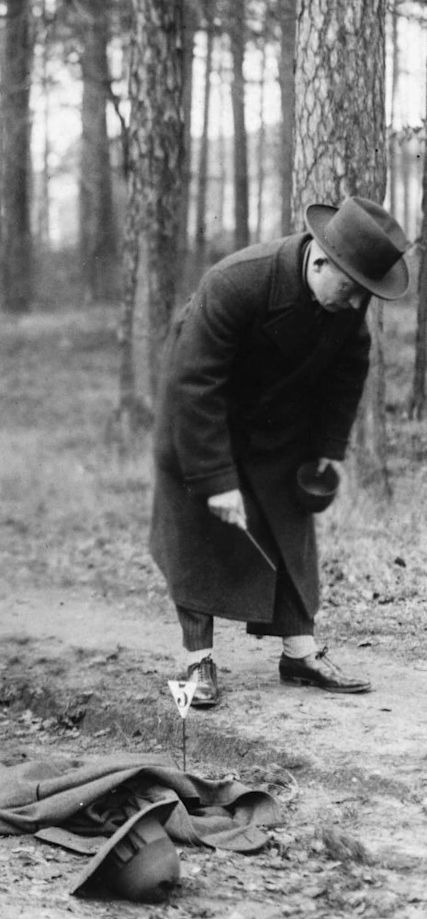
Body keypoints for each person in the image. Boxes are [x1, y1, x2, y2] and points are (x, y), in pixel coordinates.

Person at [150, 195, 408, 708]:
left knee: (290, 525)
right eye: (352, 291)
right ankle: (196, 663)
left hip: (276, 423)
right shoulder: (236, 281)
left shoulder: (343, 303)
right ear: (318, 262)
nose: (357, 306)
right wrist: (215, 479)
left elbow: (347, 372)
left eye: (365, 298)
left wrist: (329, 449)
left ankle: (300, 653)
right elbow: (194, 385)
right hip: (201, 418)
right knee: (201, 532)